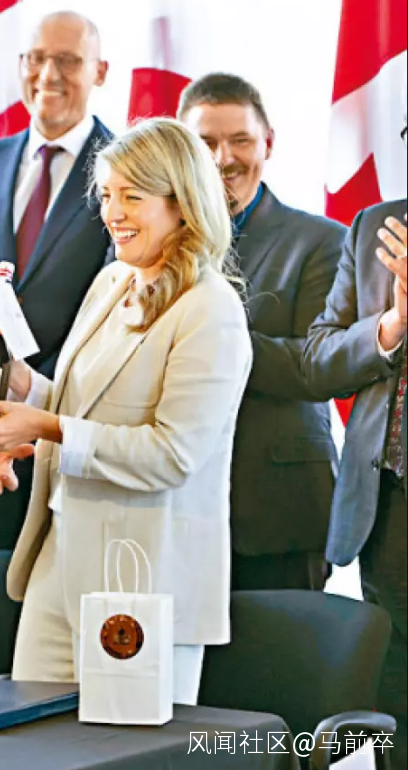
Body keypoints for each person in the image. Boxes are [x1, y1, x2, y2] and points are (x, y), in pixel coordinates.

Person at [0, 118, 252, 703]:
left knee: (123, 748)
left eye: (132, 197)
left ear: (181, 202)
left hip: (144, 579)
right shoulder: (113, 280)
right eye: (107, 195)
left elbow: (172, 455)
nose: (113, 213)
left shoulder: (210, 309)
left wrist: (45, 426)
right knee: (34, 738)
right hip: (58, 563)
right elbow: (75, 406)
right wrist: (17, 380)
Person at [0, 10, 113, 557]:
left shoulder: (126, 175)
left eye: (68, 61)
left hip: (70, 436)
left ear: (100, 71)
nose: (48, 74)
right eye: (36, 59)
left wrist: (35, 405)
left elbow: (114, 311)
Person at [178, 73, 345, 591]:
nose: (223, 157)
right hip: (170, 506)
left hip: (278, 515)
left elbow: (316, 367)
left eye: (240, 140)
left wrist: (204, 342)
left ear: (267, 143)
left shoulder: (321, 241)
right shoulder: (151, 240)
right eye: (205, 142)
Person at [301, 124, 407, 766]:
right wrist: (391, 325)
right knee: (392, 692)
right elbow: (318, 360)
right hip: (384, 504)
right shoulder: (373, 226)